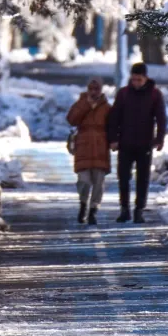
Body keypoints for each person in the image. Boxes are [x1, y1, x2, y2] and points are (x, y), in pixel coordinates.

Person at [106, 62, 167, 223]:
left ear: (146, 78)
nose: (136, 83)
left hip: (145, 144)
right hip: (125, 143)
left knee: (143, 179)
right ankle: (124, 209)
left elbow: (161, 118)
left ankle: (139, 210)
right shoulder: (124, 94)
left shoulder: (155, 95)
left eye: (139, 80)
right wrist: (113, 139)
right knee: (123, 177)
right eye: (133, 79)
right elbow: (114, 117)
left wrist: (159, 139)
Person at [66, 77, 111, 225]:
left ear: (101, 90)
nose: (93, 92)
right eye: (90, 89)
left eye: (96, 89)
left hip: (100, 148)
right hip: (84, 148)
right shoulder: (80, 103)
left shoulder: (106, 107)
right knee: (83, 181)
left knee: (99, 183)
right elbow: (71, 119)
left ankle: (93, 210)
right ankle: (83, 203)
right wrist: (86, 104)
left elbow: (114, 125)